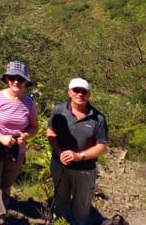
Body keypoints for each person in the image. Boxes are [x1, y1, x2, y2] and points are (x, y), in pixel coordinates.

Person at [0, 61, 39, 225]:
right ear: (7, 79)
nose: (16, 82)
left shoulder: (28, 103)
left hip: (16, 151)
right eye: (12, 78)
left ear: (26, 82)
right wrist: (1, 137)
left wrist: (25, 135)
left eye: (20, 79)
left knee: (5, 186)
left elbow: (34, 127)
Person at [47, 77, 108, 225]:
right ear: (69, 92)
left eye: (84, 91)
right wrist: (59, 151)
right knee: (60, 200)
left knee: (81, 206)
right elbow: (51, 132)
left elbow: (101, 146)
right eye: (76, 90)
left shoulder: (98, 118)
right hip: (59, 164)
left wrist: (79, 156)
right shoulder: (58, 110)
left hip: (85, 170)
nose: (79, 94)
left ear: (88, 94)